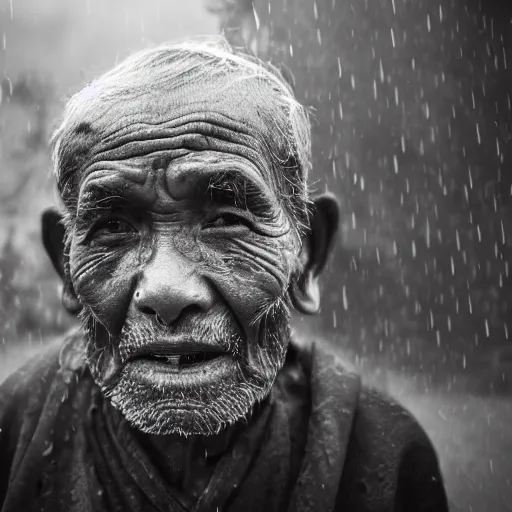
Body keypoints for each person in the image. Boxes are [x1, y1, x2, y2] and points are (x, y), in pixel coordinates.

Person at [0, 37, 449, 511]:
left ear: (306, 255)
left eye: (227, 221)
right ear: (66, 265)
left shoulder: (381, 453)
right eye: (113, 227)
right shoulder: (15, 426)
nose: (166, 290)